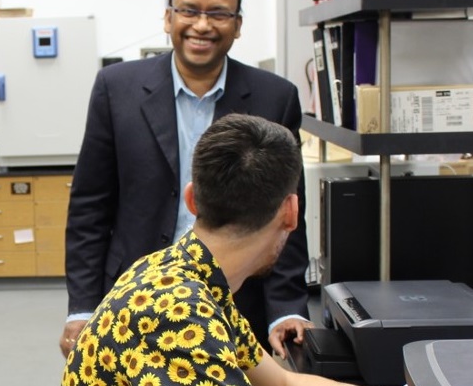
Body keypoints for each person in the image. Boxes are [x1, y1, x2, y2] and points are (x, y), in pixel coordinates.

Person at [63, 0, 312, 359]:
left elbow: (285, 214)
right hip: (135, 301)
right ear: (168, 17)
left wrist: (285, 311)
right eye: (189, 10)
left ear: (238, 24)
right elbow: (90, 208)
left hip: (238, 303)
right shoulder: (117, 89)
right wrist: (82, 307)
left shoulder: (274, 98)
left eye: (218, 14)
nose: (202, 25)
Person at [62, 114, 341, 386]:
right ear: (291, 212)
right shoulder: (180, 314)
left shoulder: (195, 275)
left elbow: (282, 381)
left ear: (191, 199)